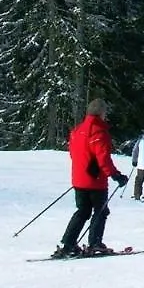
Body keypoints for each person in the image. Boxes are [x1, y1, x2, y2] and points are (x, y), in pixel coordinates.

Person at [54, 98, 127, 257]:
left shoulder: (76, 130)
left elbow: (73, 154)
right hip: (95, 180)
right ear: (101, 113)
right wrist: (115, 175)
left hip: (79, 179)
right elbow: (103, 158)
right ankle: (95, 243)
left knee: (83, 211)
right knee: (100, 211)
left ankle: (69, 243)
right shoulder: (99, 132)